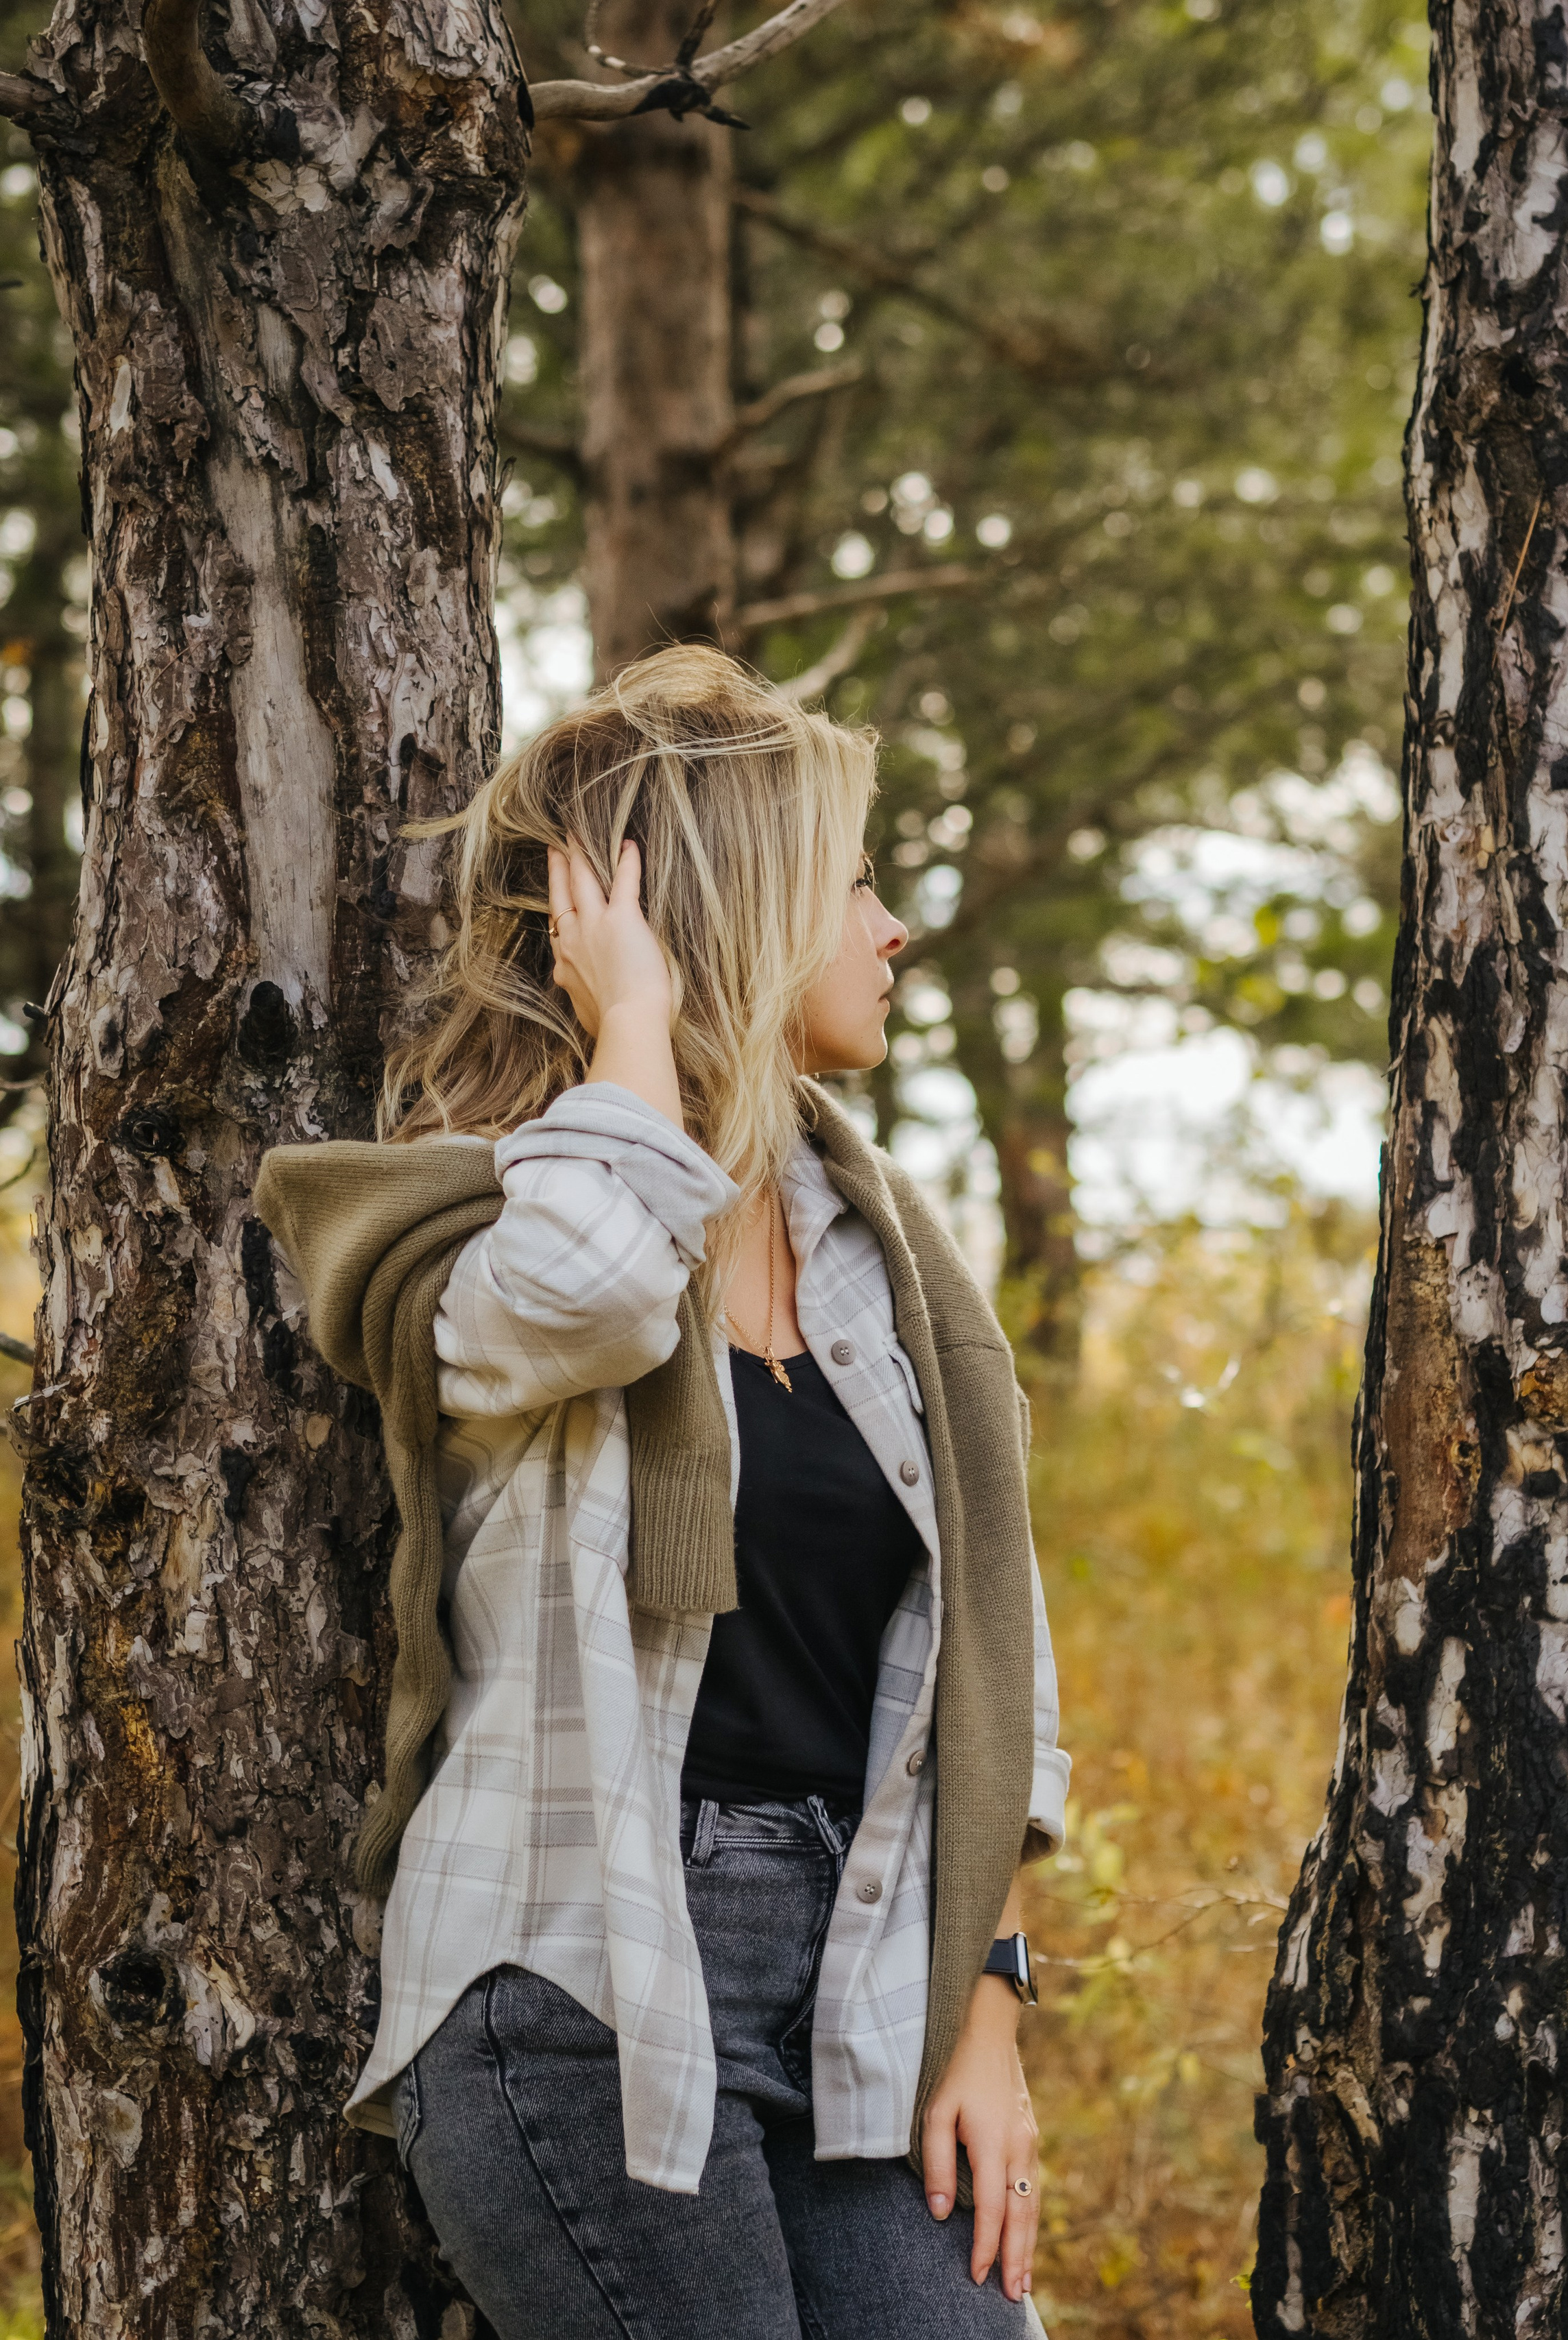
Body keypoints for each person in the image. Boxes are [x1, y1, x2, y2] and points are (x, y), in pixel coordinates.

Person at [255, 645, 1071, 2340]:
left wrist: (984, 2008)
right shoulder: (492, 1219)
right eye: (855, 883)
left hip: (859, 1979)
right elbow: (598, 1300)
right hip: (582, 1985)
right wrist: (637, 1020)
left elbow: (983, 1665)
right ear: (745, 911)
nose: (892, 929)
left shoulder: (888, 1259)